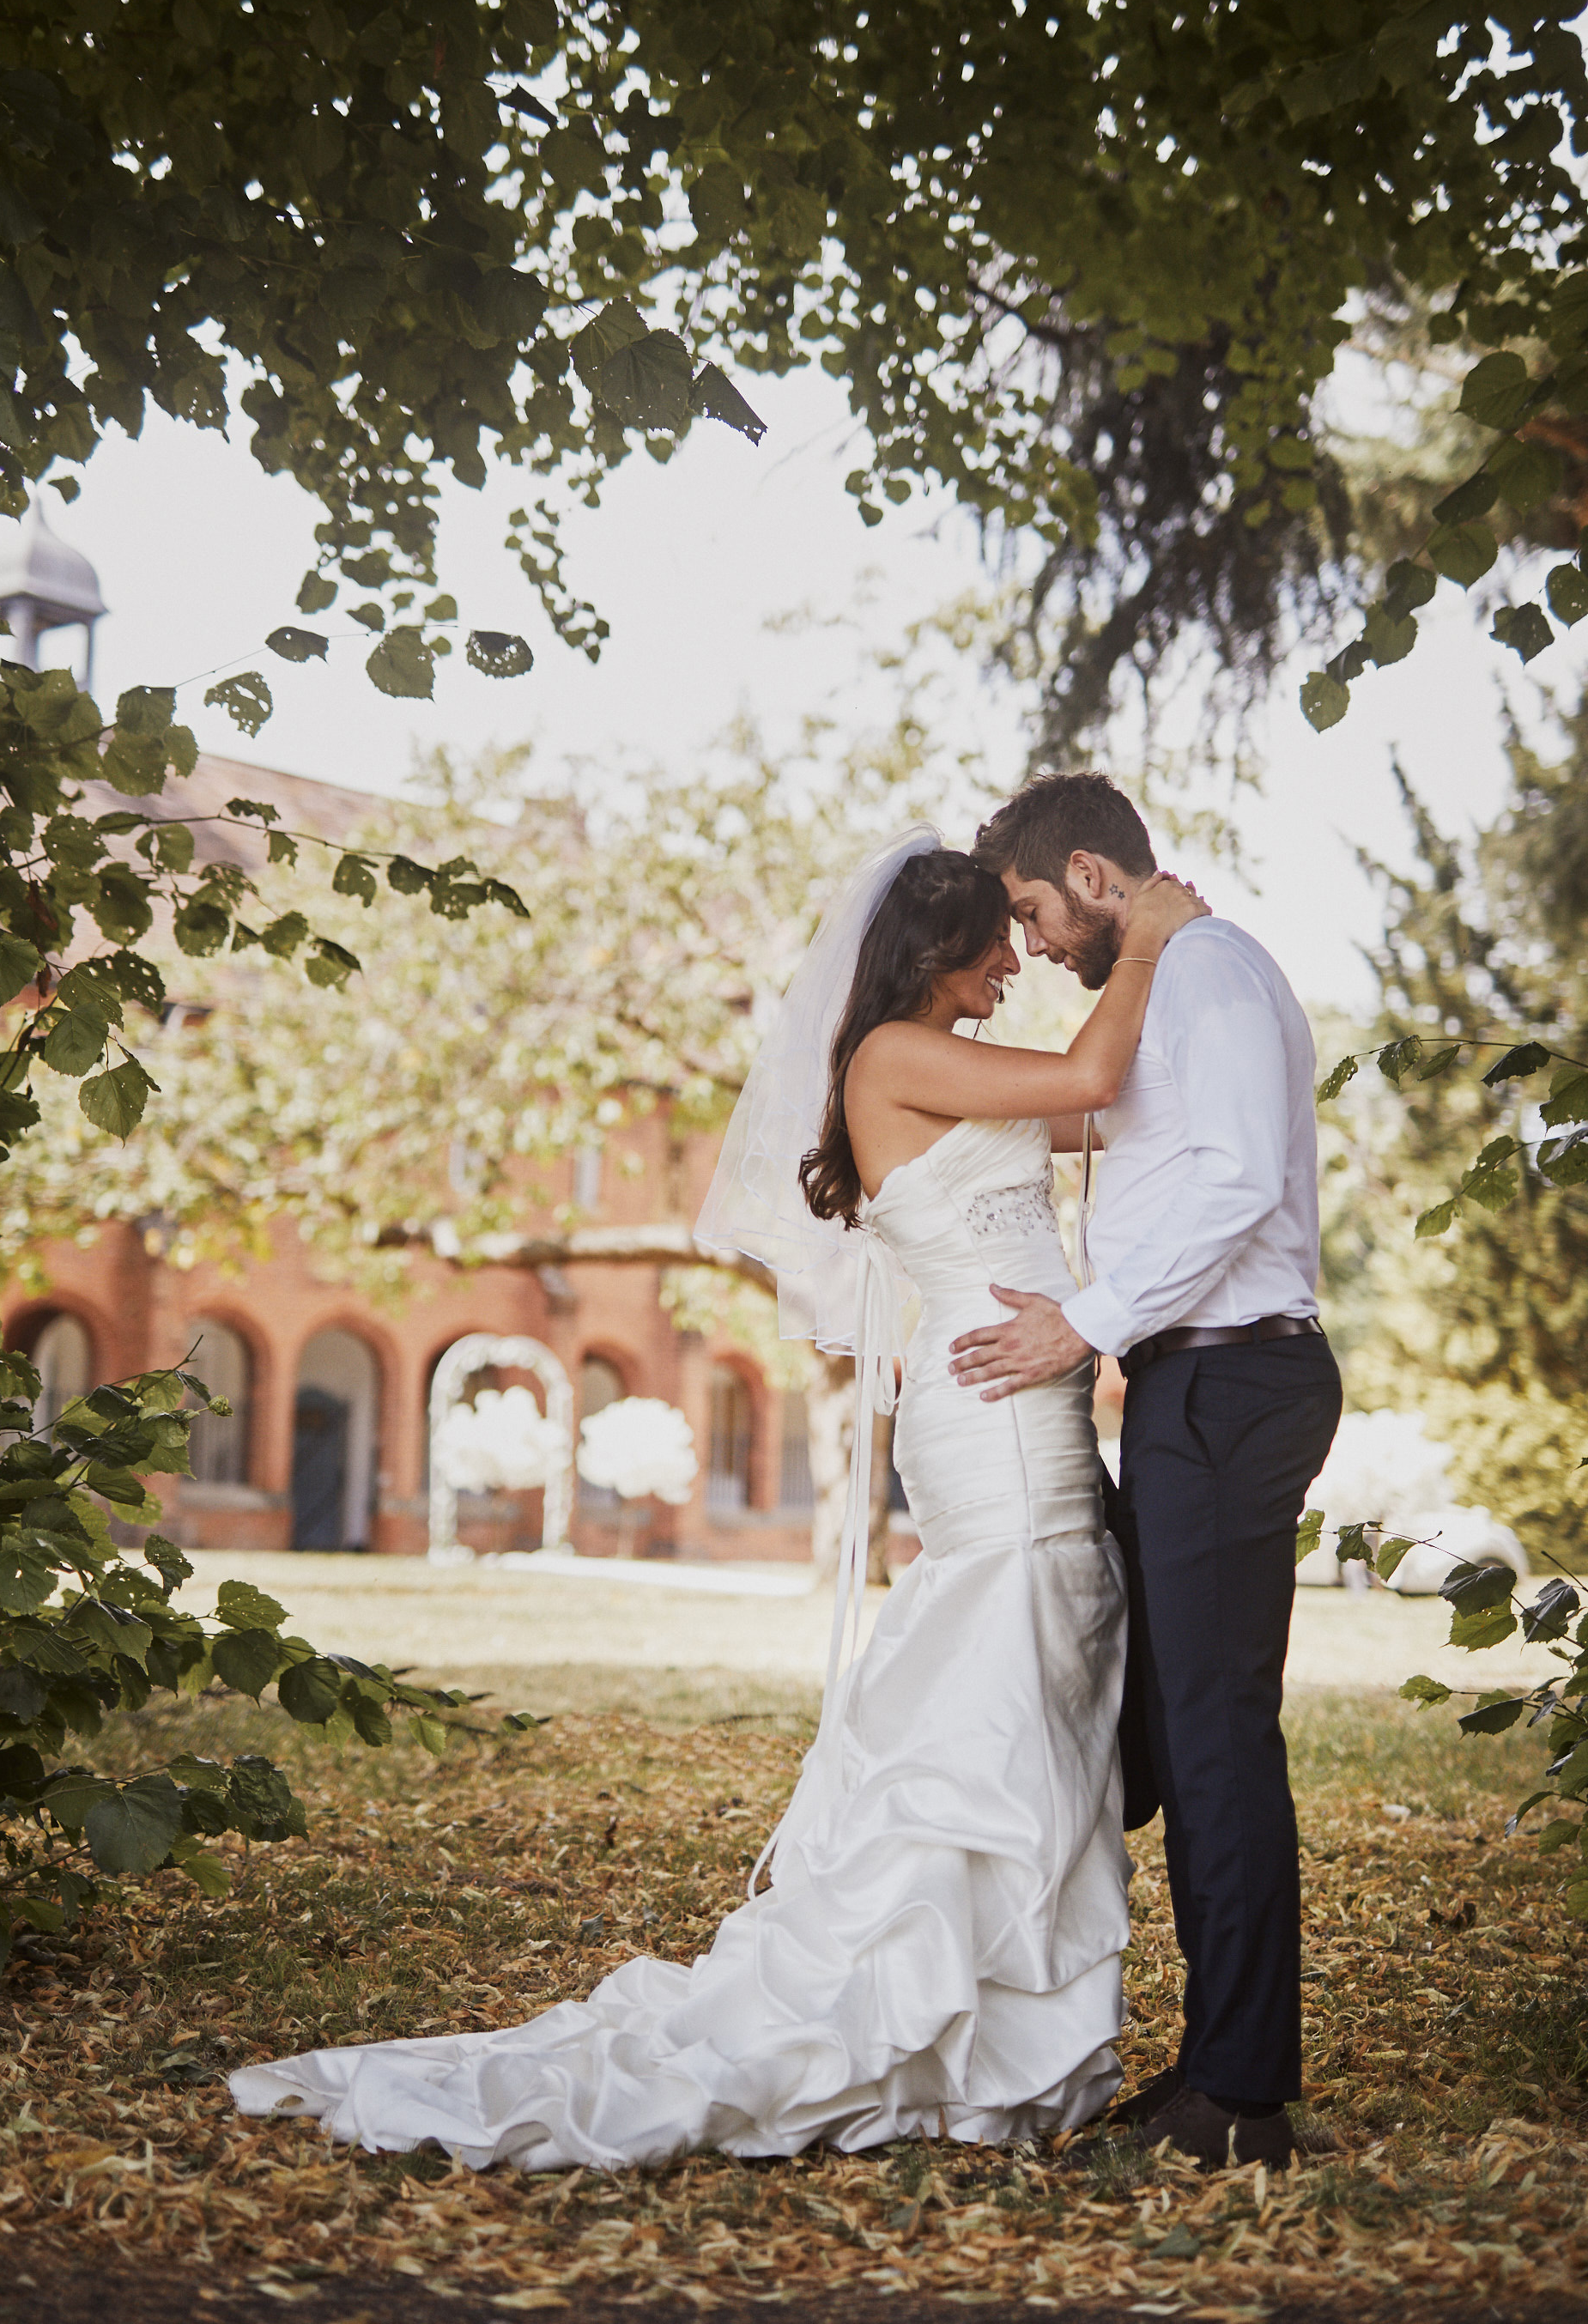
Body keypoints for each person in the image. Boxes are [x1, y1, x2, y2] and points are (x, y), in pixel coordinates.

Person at [227, 828, 1204, 2169]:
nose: (1006, 972)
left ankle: (982, 2019)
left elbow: (1101, 1106)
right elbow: (1096, 1070)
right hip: (996, 1416)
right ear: (936, 947)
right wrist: (1148, 936)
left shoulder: (952, 1066)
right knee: (1004, 1686)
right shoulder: (893, 1059)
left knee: (1027, 1687)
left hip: (1008, 1395)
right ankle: (932, 2018)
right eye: (992, 949)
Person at [950, 773, 1343, 2175]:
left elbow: (1237, 1176)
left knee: (1218, 1734)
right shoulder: (1165, 991)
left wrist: (1085, 1324)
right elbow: (1110, 1125)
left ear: (1093, 879)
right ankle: (1215, 2061)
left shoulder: (1215, 974)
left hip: (1236, 1378)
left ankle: (1240, 2100)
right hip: (1194, 1384)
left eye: (1034, 912)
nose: (1037, 944)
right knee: (1167, 1731)